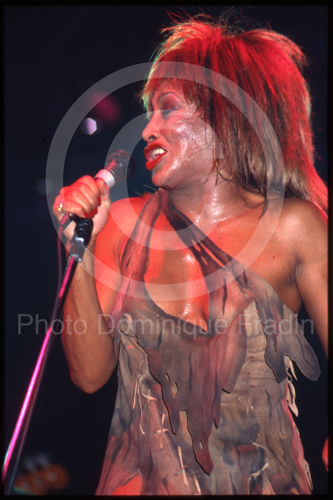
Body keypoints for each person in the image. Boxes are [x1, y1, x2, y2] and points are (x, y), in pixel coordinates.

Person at [53, 13, 327, 495]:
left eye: (167, 109)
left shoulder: (292, 228)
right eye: (148, 113)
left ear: (225, 113)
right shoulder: (121, 226)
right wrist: (79, 248)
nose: (146, 131)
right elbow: (90, 376)